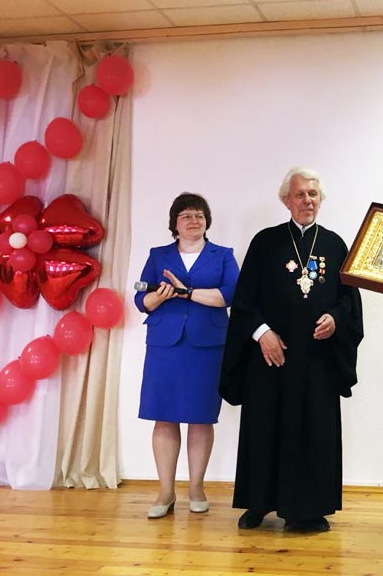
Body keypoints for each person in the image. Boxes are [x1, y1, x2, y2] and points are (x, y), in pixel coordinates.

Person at [220, 166, 363, 533]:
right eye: (300, 194)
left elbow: (349, 301)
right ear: (286, 200)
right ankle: (258, 503)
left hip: (317, 360)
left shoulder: (335, 245)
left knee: (314, 432)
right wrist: (262, 333)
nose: (307, 201)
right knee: (265, 429)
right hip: (272, 356)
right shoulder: (265, 242)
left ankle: (309, 510)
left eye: (313, 194)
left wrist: (336, 318)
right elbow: (244, 299)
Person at [134, 192, 240, 519]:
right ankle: (165, 492)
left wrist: (187, 292)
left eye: (199, 215)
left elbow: (231, 295)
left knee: (200, 416)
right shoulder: (158, 255)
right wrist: (161, 296)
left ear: (207, 221)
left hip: (207, 345)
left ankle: (196, 488)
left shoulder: (223, 255)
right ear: (175, 224)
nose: (194, 220)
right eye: (186, 215)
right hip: (165, 345)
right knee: (163, 415)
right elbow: (141, 301)